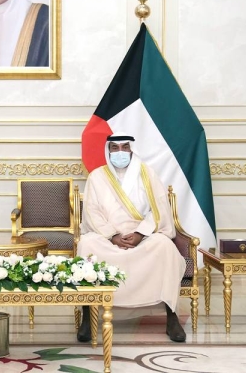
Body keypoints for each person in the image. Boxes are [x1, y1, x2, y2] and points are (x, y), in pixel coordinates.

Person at [77, 133, 187, 343]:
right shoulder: (97, 176)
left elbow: (158, 209)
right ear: (108, 151)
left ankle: (172, 317)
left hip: (142, 235)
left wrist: (140, 234)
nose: (120, 153)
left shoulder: (147, 174)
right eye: (115, 148)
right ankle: (86, 318)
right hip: (108, 236)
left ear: (132, 149)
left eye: (124, 147)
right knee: (87, 244)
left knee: (164, 246)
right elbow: (92, 211)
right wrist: (113, 236)